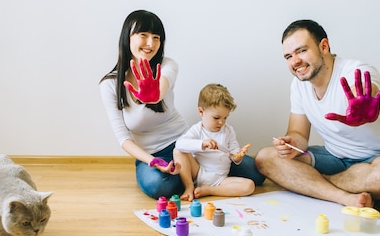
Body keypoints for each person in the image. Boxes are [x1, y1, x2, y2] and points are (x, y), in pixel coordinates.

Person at [99, 10, 264, 199]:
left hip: (187, 143)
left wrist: (152, 95)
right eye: (143, 35)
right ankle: (200, 178)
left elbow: (160, 89)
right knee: (160, 186)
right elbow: (123, 139)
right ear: (127, 37)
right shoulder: (109, 85)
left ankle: (202, 176)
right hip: (152, 154)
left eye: (156, 37)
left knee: (256, 174)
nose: (150, 43)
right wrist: (154, 162)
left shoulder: (167, 66)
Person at [255, 19, 380, 207]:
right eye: (288, 56)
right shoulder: (298, 86)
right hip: (336, 158)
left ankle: (312, 185)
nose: (295, 61)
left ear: (324, 46)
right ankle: (344, 197)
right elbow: (298, 134)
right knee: (265, 158)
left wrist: (363, 106)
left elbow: (365, 88)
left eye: (302, 51)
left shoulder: (356, 71)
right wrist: (292, 144)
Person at [174, 83, 255, 201]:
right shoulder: (198, 129)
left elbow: (234, 152)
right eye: (216, 118)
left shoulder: (228, 131)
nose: (221, 122)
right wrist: (202, 143)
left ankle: (209, 190)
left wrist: (238, 155)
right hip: (198, 172)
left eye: (225, 118)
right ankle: (189, 187)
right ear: (201, 112)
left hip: (221, 179)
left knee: (249, 186)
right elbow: (180, 143)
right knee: (178, 151)